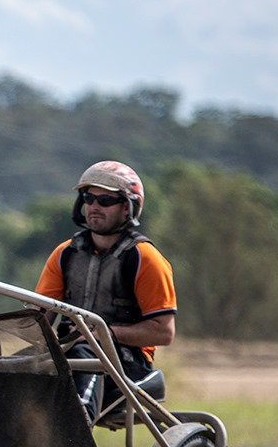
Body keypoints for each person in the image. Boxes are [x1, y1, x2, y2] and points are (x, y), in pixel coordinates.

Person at [34, 160, 176, 424]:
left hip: (127, 366)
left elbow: (164, 332)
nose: (94, 206)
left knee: (84, 353)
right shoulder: (65, 254)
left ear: (127, 207)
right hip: (72, 355)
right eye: (89, 198)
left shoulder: (146, 258)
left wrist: (104, 333)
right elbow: (37, 320)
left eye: (105, 200)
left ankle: (77, 426)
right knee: (20, 367)